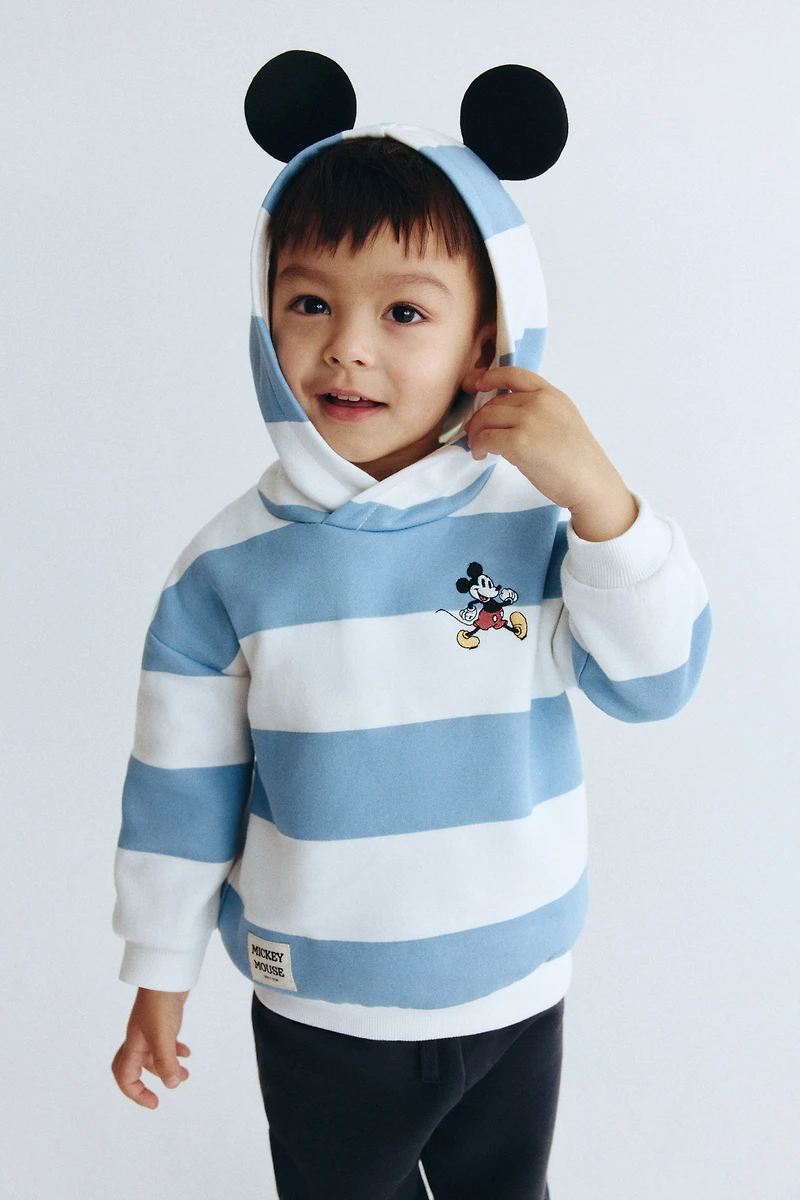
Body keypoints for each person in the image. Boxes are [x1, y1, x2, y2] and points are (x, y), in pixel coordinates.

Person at [110, 52, 712, 1200]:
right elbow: (179, 791)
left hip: (516, 988)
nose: (347, 345)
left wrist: (600, 496)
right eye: (309, 303)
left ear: (487, 339)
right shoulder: (225, 571)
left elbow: (656, 681)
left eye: (402, 311)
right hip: (322, 1007)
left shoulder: (540, 522)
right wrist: (158, 969)